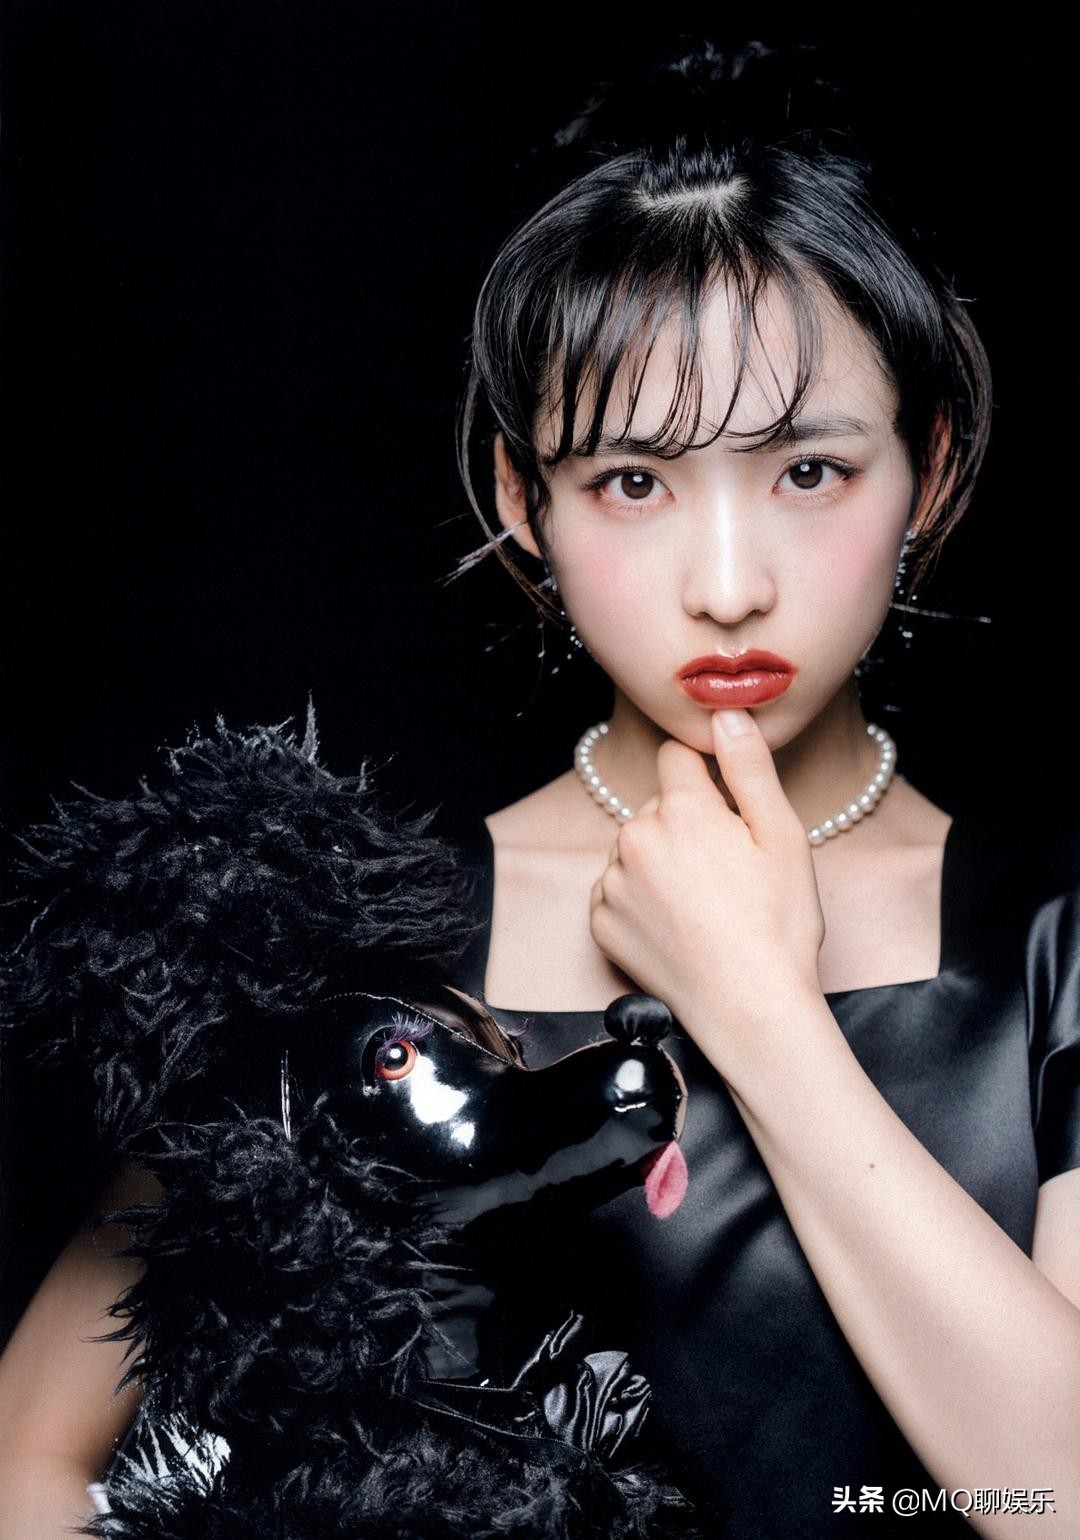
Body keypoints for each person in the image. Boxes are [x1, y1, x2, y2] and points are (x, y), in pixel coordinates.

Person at [1, 43, 1078, 1540]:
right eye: (633, 482)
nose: (727, 587)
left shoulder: (1050, 941)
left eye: (809, 472)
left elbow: (1057, 1494)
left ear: (931, 468)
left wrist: (758, 1009)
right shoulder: (366, 942)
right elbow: (29, 1455)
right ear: (526, 502)